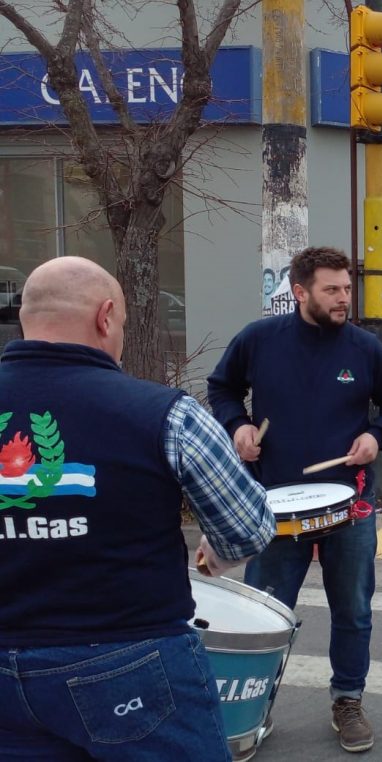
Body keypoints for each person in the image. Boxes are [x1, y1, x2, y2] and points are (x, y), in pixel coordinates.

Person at [0, 257, 274, 761]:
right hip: (130, 659)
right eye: (122, 324)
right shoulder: (165, 413)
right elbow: (247, 530)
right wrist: (215, 550)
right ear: (105, 317)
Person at [208, 246, 382, 754]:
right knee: (267, 616)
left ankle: (348, 699)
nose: (344, 298)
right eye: (332, 290)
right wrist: (237, 427)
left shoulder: (365, 349)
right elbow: (223, 388)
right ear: (301, 292)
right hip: (275, 507)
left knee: (353, 611)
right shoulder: (259, 340)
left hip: (350, 506)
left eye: (347, 288)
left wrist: (377, 436)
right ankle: (253, 712)